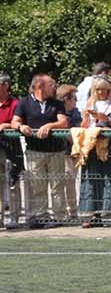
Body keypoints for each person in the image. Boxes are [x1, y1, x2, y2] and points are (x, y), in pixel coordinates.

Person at [14, 74, 76, 226]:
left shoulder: (57, 104)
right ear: (39, 86)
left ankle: (59, 217)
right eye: (51, 85)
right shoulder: (24, 102)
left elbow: (63, 122)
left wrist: (49, 126)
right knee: (37, 185)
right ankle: (41, 216)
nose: (54, 88)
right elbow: (15, 121)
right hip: (34, 150)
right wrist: (21, 126)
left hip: (55, 150)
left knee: (57, 185)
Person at [76, 75, 111, 225]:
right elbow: (84, 124)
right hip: (93, 143)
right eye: (98, 89)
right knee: (92, 177)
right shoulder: (91, 102)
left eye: (105, 90)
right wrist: (87, 120)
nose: (102, 93)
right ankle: (91, 213)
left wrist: (108, 120)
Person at [0, 73, 20, 229]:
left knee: (13, 181)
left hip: (11, 148)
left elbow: (17, 121)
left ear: (5, 86)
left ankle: (14, 217)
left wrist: (6, 125)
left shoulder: (15, 103)